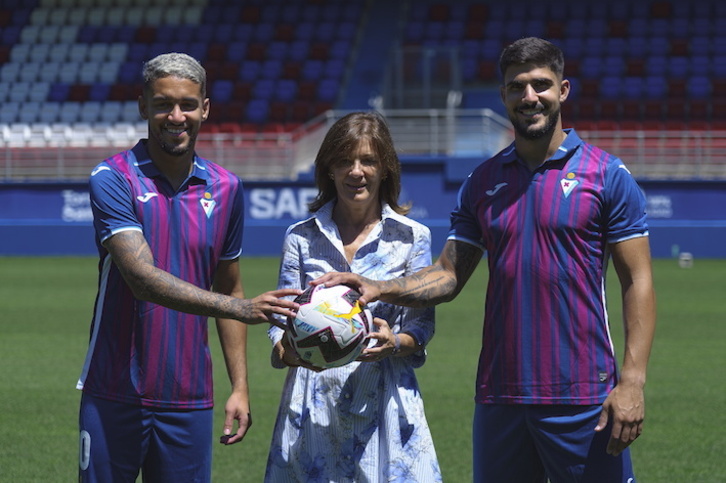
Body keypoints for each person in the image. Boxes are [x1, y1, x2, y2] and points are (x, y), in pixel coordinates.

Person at [315, 38, 656, 482]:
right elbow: (449, 275)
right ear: (503, 96)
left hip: (582, 395)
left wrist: (631, 381)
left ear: (563, 90)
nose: (529, 97)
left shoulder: (607, 175)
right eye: (517, 87)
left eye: (541, 85)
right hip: (500, 396)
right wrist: (380, 287)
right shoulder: (483, 181)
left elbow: (639, 281)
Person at [76, 52, 300, 482]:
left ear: (205, 108)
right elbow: (141, 279)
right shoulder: (113, 178)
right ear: (143, 106)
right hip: (113, 393)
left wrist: (240, 386)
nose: (175, 116)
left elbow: (230, 286)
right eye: (162, 104)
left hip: (190, 399)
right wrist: (242, 310)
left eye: (187, 104)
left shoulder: (227, 188)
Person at [264, 111, 442, 482]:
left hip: (386, 401)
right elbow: (280, 324)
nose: (355, 171)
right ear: (328, 169)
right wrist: (288, 351)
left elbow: (422, 325)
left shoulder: (412, 237)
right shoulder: (300, 236)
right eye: (344, 160)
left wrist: (395, 342)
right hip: (314, 405)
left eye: (368, 160)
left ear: (386, 169)